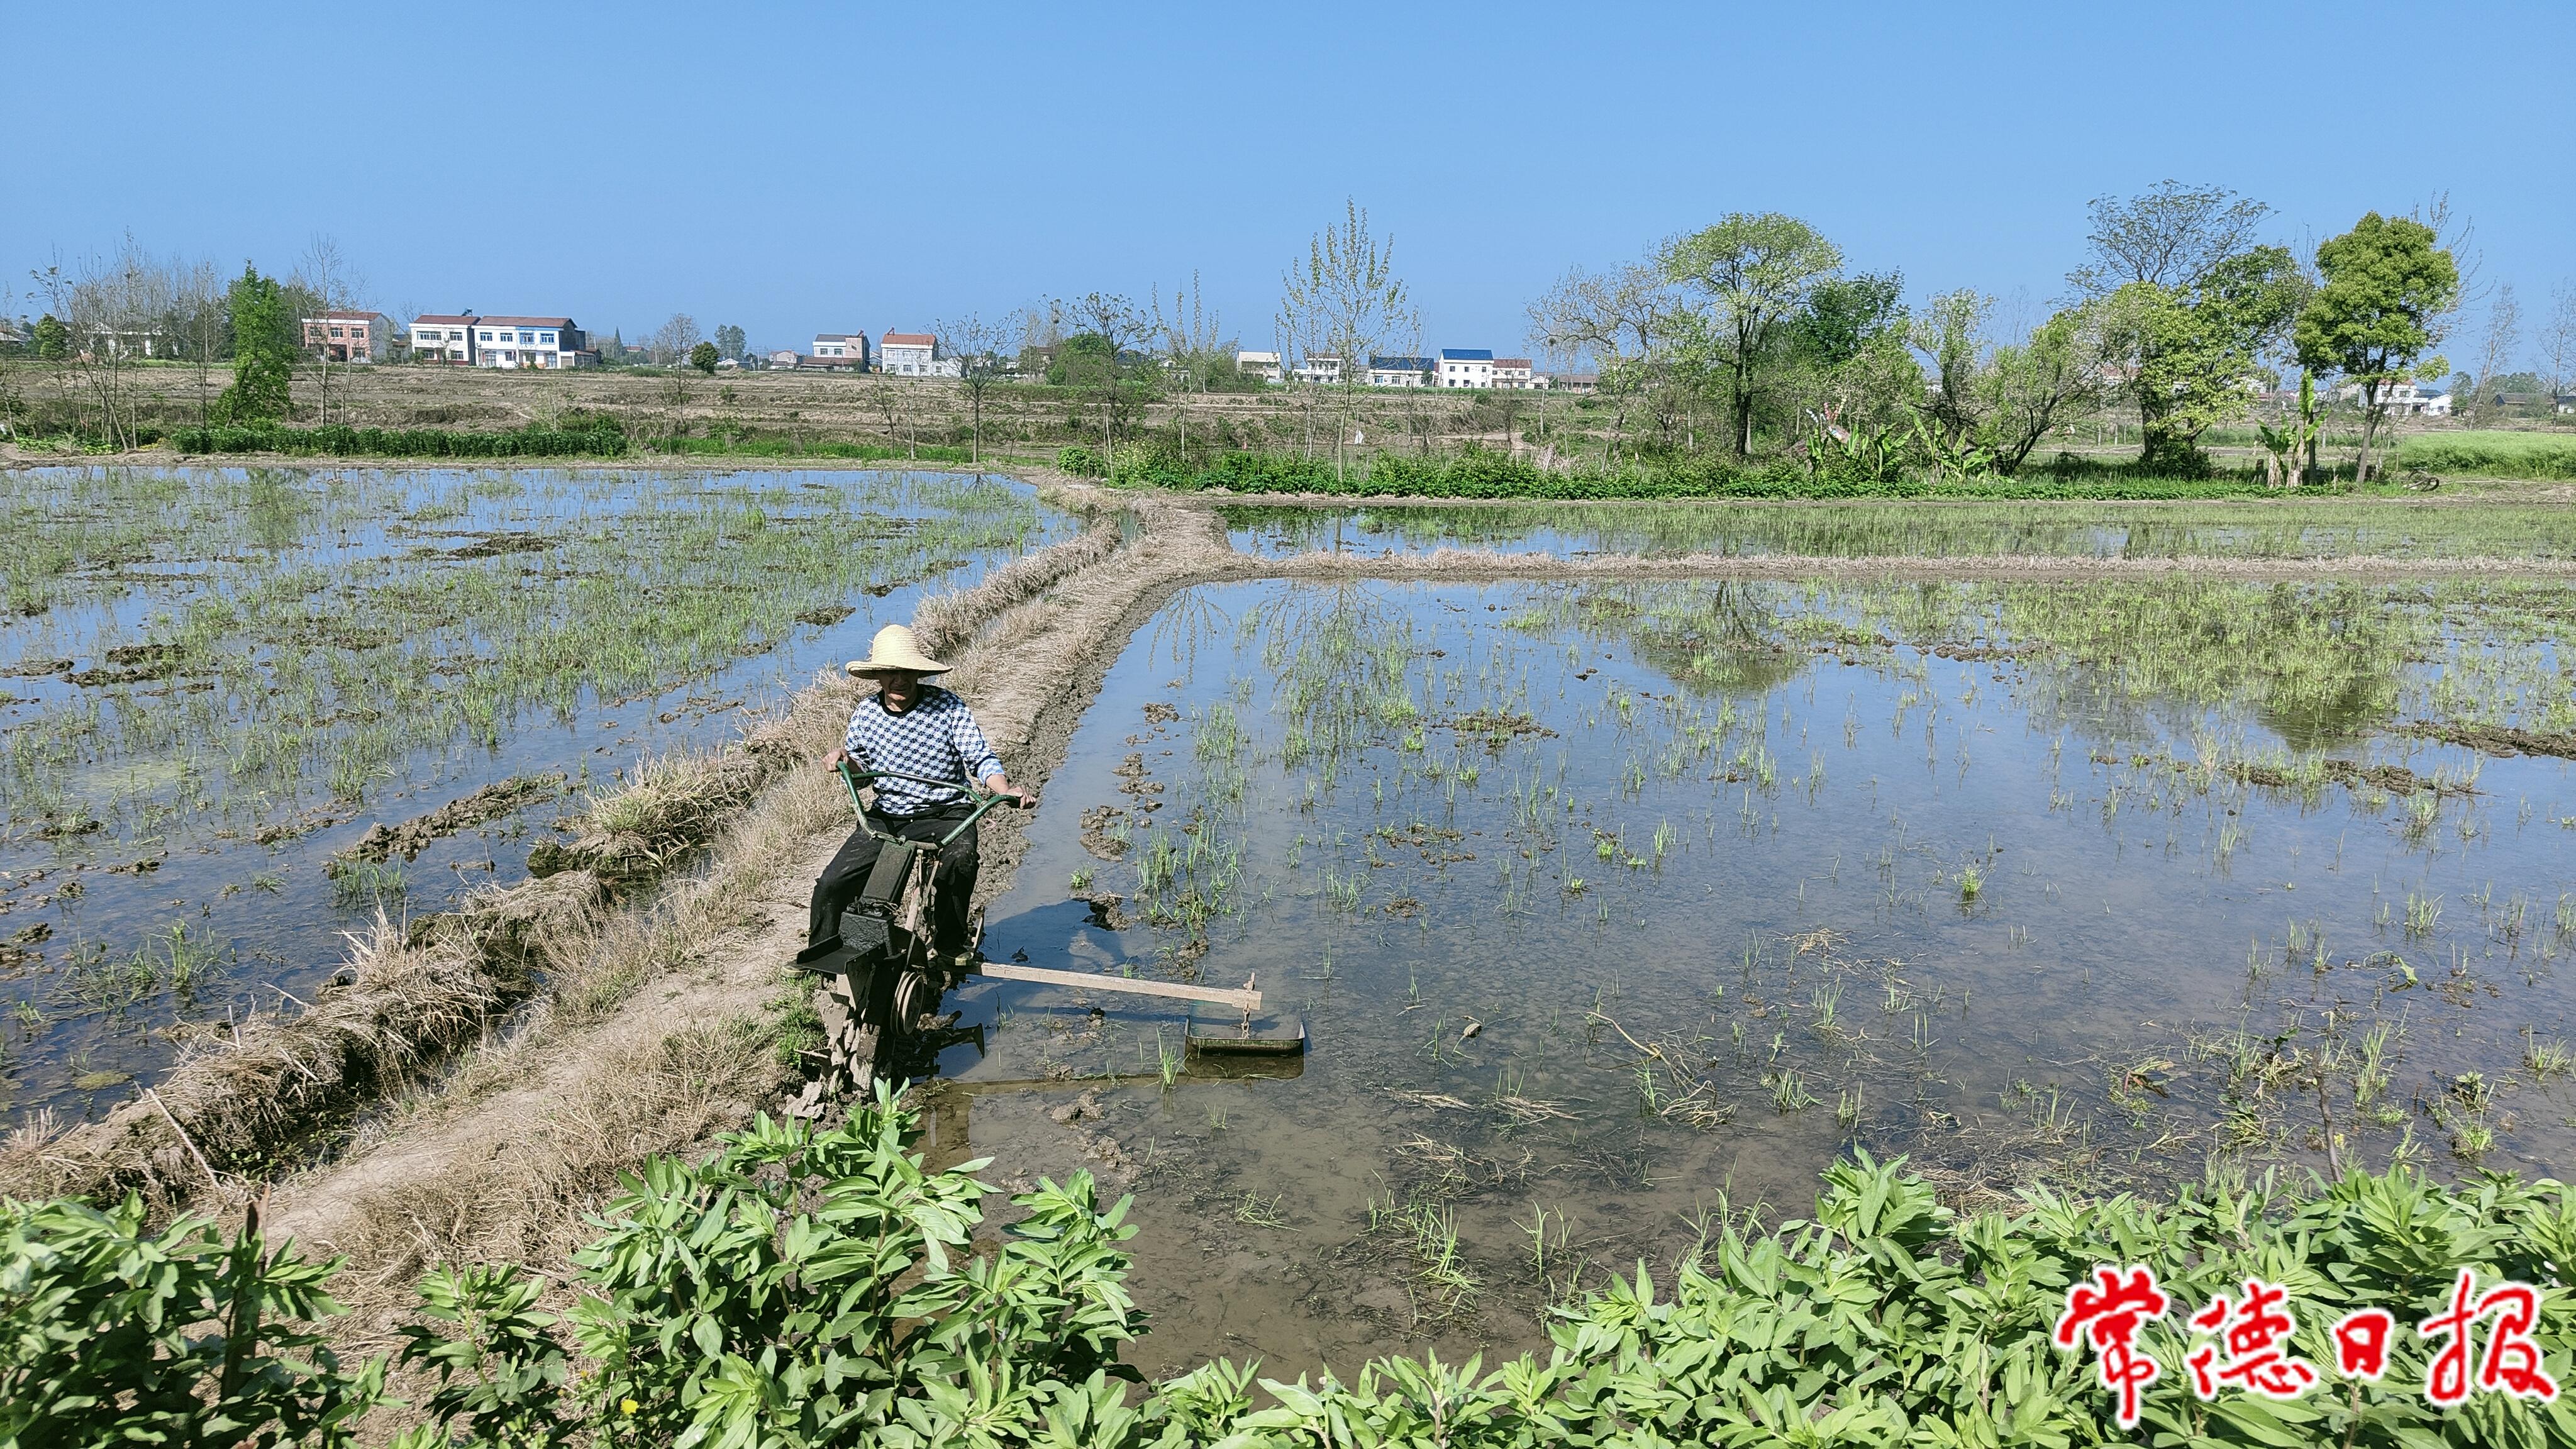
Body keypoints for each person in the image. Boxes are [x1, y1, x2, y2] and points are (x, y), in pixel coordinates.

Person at [802, 624, 1031, 967]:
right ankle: (822, 955)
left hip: (948, 814)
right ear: (878, 675)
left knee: (961, 861)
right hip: (889, 814)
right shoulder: (867, 713)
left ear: (918, 673)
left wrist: (1004, 789)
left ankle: (950, 943)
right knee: (832, 883)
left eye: (907, 671)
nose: (900, 680)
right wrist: (845, 760)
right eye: (891, 672)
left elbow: (980, 758)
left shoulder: (947, 707)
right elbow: (862, 773)